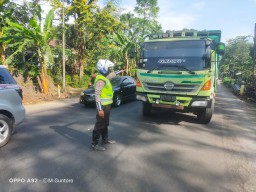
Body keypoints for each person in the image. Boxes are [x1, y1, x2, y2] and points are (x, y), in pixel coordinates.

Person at [91, 59, 123, 151]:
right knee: (99, 124)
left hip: (107, 105)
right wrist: (100, 109)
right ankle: (94, 144)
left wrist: (119, 71)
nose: (110, 70)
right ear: (104, 68)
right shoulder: (100, 80)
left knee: (105, 123)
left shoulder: (104, 78)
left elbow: (110, 76)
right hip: (102, 106)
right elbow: (97, 95)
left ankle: (105, 139)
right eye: (109, 68)